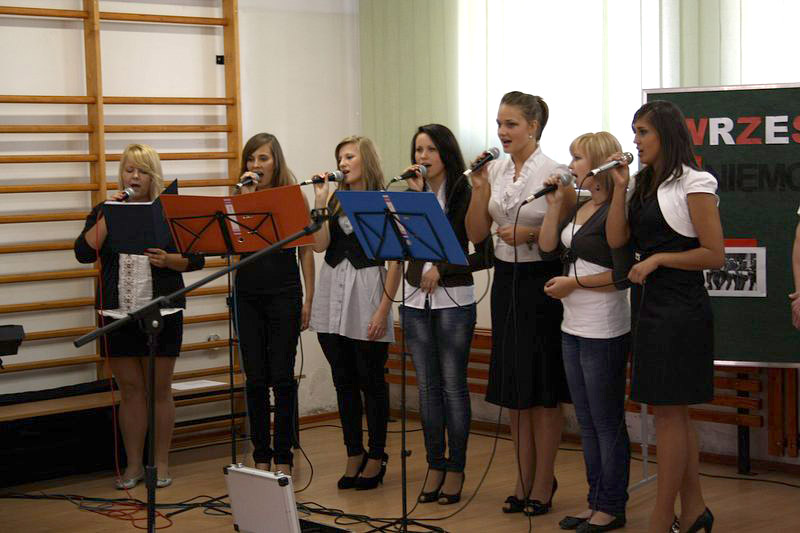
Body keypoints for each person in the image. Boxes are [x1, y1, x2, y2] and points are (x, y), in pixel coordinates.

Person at [605, 100, 724, 533]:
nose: (635, 141)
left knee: (670, 414)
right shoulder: (640, 184)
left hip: (680, 309)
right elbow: (617, 239)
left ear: (667, 135)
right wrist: (619, 188)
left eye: (643, 132)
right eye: (634, 132)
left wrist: (658, 260)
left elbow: (714, 254)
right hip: (649, 306)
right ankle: (694, 510)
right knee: (672, 414)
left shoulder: (695, 182)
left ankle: (660, 518)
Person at [465, 91, 576, 516]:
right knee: (515, 387)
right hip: (507, 280)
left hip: (541, 283)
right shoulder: (493, 170)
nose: (502, 131)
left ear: (533, 126)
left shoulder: (556, 172)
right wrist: (479, 189)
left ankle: (544, 479)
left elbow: (567, 238)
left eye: (510, 124)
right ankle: (522, 478)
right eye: (499, 123)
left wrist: (529, 234)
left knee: (542, 387)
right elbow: (477, 233)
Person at [74, 144, 205, 489]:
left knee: (159, 390)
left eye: (142, 171)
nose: (134, 176)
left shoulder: (169, 210)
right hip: (117, 311)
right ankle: (133, 465)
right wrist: (110, 214)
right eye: (129, 169)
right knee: (130, 390)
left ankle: (160, 463)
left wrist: (170, 261)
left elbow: (197, 259)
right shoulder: (105, 209)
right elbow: (84, 252)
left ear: (154, 176)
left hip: (163, 310)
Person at [538, 132, 633, 532]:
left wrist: (573, 284)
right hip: (572, 326)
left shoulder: (615, 208)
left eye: (577, 158)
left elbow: (621, 276)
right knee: (587, 422)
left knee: (606, 421)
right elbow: (547, 247)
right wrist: (554, 205)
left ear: (597, 164)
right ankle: (596, 501)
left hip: (603, 328)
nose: (571, 164)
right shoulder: (580, 204)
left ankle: (611, 505)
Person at [399, 124, 493, 505]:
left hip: (453, 299)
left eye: (431, 150)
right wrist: (417, 200)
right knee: (426, 387)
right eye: (418, 149)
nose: (422, 157)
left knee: (453, 386)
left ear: (446, 153)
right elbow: (403, 246)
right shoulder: (411, 195)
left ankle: (456, 467)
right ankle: (434, 463)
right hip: (413, 299)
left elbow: (483, 254)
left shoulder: (462, 191)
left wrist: (443, 268)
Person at [310, 135, 401, 490]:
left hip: (367, 293)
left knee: (371, 380)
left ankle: (376, 455)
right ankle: (353, 451)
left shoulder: (384, 201)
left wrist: (383, 310)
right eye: (340, 158)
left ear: (366, 160)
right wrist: (319, 203)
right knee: (343, 380)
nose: (343, 163)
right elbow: (319, 246)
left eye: (349, 156)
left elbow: (395, 262)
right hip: (333, 290)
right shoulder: (334, 201)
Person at [232, 133, 315, 475]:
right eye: (251, 159)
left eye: (263, 158)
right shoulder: (239, 198)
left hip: (284, 293)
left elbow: (306, 251)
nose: (256, 165)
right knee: (254, 378)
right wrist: (244, 200)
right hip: (247, 295)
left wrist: (309, 298)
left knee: (281, 377)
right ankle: (260, 454)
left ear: (276, 161)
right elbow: (235, 245)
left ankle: (284, 455)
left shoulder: (292, 196)